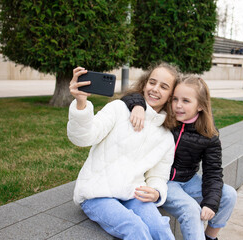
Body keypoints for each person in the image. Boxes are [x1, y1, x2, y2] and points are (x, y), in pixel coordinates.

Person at [67, 62, 181, 240]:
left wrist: (157, 191)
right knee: (135, 229)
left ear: (171, 95)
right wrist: (81, 103)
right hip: (97, 193)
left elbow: (159, 175)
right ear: (144, 84)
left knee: (160, 228)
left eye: (164, 87)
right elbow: (83, 137)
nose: (155, 89)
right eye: (152, 82)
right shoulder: (118, 109)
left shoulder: (166, 136)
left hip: (133, 193)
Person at [121, 75, 237, 240]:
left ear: (201, 106)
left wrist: (211, 203)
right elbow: (134, 95)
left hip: (188, 180)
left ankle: (210, 237)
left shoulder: (209, 134)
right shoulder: (164, 114)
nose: (178, 105)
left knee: (229, 195)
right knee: (191, 209)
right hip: (164, 181)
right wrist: (138, 106)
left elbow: (213, 172)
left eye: (186, 101)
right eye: (175, 99)